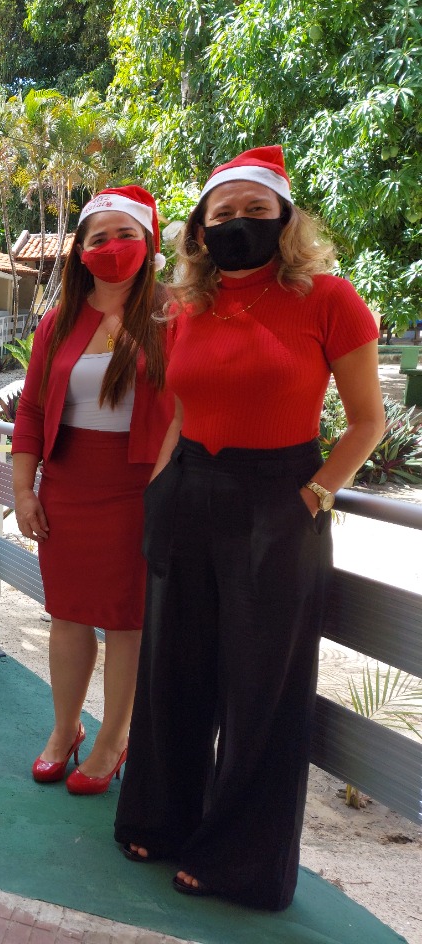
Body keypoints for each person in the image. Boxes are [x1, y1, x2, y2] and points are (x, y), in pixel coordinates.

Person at [113, 147, 384, 910]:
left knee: (262, 686)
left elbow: (367, 422)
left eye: (254, 212)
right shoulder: (180, 305)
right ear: (199, 229)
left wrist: (316, 496)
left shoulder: (330, 298)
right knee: (173, 667)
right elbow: (181, 409)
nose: (236, 226)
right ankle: (162, 819)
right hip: (189, 491)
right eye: (221, 214)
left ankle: (241, 860)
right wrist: (162, 488)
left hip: (280, 503)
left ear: (286, 219)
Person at [11, 186, 173, 795]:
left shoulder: (173, 317)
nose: (111, 248)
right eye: (98, 238)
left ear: (148, 243)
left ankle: (112, 739)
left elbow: (190, 411)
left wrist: (163, 493)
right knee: (69, 617)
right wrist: (24, 491)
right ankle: (65, 729)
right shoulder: (58, 322)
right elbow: (30, 410)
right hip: (70, 485)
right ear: (80, 251)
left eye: (125, 235)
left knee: (128, 622)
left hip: (142, 487)